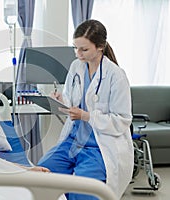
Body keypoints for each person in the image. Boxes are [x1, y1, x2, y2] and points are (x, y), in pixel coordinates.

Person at [37, 19, 133, 200]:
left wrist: (87, 116)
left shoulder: (116, 76)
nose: (78, 54)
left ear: (100, 47)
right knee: (40, 175)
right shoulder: (76, 67)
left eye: (84, 49)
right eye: (75, 48)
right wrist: (60, 100)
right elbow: (71, 99)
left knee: (81, 192)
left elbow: (122, 120)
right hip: (73, 141)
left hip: (99, 146)